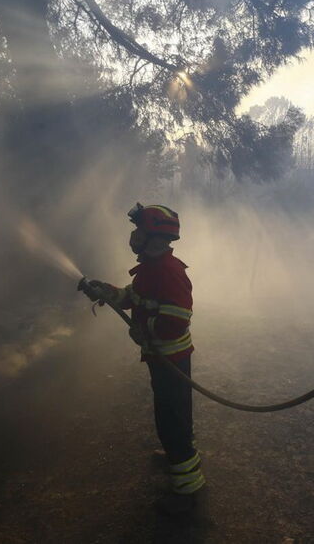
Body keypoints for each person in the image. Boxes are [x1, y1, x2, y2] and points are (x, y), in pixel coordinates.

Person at [82, 203, 204, 515]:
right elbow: (133, 297)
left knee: (172, 422)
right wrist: (108, 292)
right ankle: (180, 457)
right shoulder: (151, 268)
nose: (134, 236)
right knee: (172, 415)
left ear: (156, 239)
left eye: (139, 231)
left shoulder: (169, 272)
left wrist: (145, 328)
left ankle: (186, 490)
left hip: (171, 360)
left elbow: (177, 319)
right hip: (161, 359)